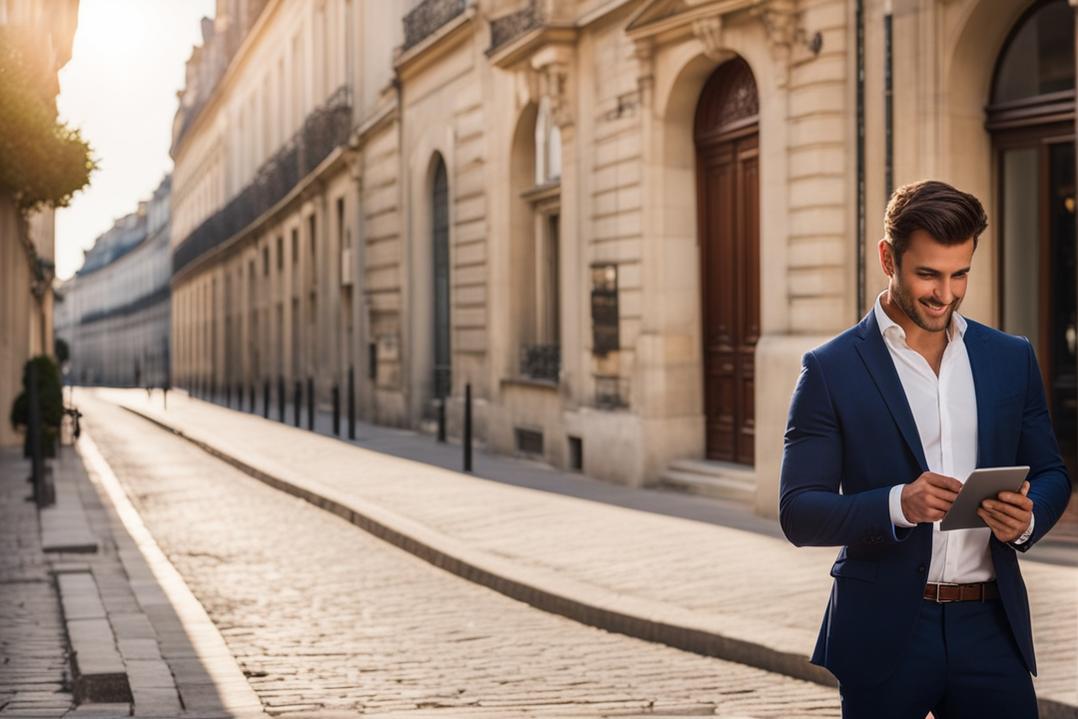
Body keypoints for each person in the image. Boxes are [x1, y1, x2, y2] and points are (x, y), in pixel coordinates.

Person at [779, 180, 1072, 718]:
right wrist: (897, 504)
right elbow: (798, 512)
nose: (946, 293)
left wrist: (1028, 519)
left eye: (960, 274)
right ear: (888, 257)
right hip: (885, 631)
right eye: (928, 274)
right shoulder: (831, 369)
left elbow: (1053, 472)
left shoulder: (1010, 357)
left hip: (991, 628)